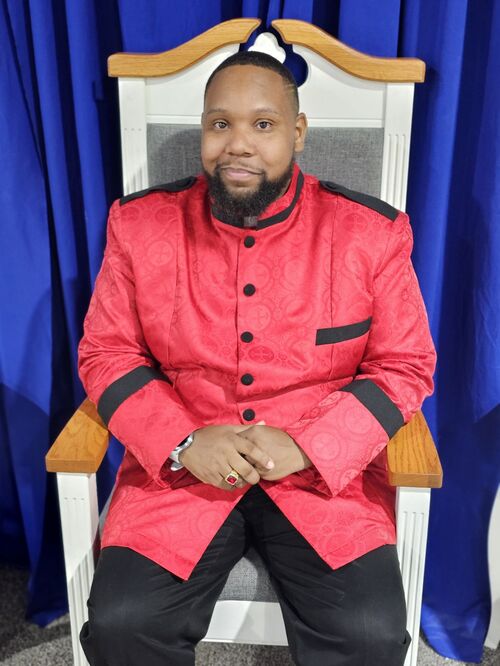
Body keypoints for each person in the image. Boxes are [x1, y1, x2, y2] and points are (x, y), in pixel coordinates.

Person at [78, 50, 436, 666]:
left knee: (368, 634)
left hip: (322, 479)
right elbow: (106, 352)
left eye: (263, 124)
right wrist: (186, 442)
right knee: (122, 625)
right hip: (183, 473)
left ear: (298, 132)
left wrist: (309, 446)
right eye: (220, 124)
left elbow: (404, 363)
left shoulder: (370, 233)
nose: (238, 144)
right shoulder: (138, 225)